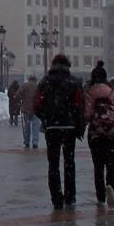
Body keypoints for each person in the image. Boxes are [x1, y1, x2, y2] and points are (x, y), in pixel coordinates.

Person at [33, 54, 84, 209]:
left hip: (52, 128)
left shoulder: (45, 82)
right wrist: (77, 123)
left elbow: (37, 105)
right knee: (69, 162)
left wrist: (46, 118)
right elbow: (79, 106)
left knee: (53, 164)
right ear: (68, 65)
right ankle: (70, 196)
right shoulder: (74, 82)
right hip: (69, 127)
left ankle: (56, 198)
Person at [83, 67, 114, 205]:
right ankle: (110, 185)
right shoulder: (112, 93)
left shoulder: (89, 93)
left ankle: (100, 196)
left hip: (95, 134)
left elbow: (87, 115)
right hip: (111, 133)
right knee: (111, 163)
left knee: (98, 166)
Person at [19, 74, 40, 148]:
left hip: (26, 109)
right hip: (36, 110)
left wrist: (21, 99)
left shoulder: (25, 85)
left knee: (27, 126)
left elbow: (18, 94)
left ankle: (27, 141)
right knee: (36, 126)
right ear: (35, 80)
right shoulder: (38, 86)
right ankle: (35, 141)